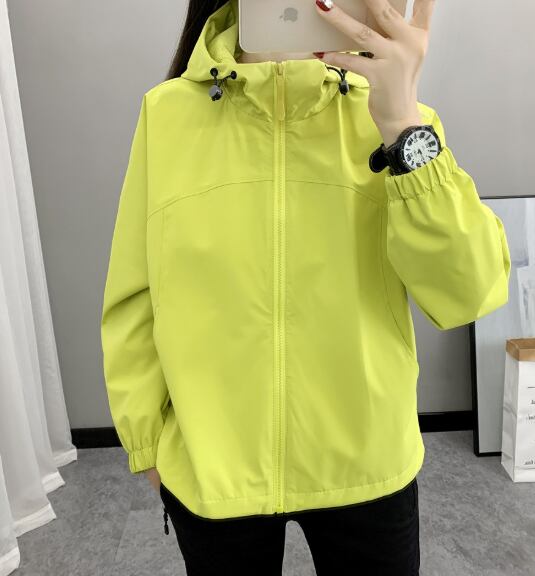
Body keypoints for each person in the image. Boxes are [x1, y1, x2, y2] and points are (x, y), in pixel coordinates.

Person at [100, 0, 511, 574]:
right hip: (213, 465)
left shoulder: (396, 118)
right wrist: (147, 443)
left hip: (367, 461)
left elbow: (469, 293)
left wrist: (402, 124)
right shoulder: (167, 114)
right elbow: (135, 292)